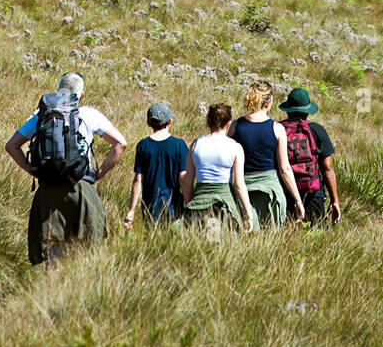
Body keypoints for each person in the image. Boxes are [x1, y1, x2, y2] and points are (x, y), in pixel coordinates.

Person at [5, 71, 127, 264]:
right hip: (82, 188)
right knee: (88, 251)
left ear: (58, 91)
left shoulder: (41, 115)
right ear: (81, 95)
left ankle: (53, 290)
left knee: (53, 254)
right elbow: (121, 144)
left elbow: (11, 146)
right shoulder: (89, 114)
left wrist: (32, 170)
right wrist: (98, 175)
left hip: (48, 191)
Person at [228, 80, 305, 227]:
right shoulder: (277, 129)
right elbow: (285, 169)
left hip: (243, 187)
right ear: (268, 102)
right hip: (270, 189)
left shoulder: (235, 126)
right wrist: (297, 200)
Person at [182, 103, 255, 233]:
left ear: (208, 121)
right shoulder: (235, 147)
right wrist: (248, 214)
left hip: (200, 200)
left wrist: (189, 204)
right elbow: (239, 184)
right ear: (229, 123)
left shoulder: (196, 144)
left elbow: (187, 181)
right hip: (224, 202)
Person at [278, 87, 341, 225]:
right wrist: (334, 200)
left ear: (288, 109)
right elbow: (328, 168)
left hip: (285, 192)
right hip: (313, 192)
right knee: (317, 236)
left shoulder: (278, 129)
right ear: (308, 111)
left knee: (286, 237)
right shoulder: (317, 130)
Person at [124, 101, 188, 228]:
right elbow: (183, 179)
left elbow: (138, 180)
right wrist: (189, 203)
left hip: (149, 206)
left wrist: (131, 211)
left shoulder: (143, 145)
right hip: (174, 206)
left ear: (149, 123)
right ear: (169, 121)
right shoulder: (179, 145)